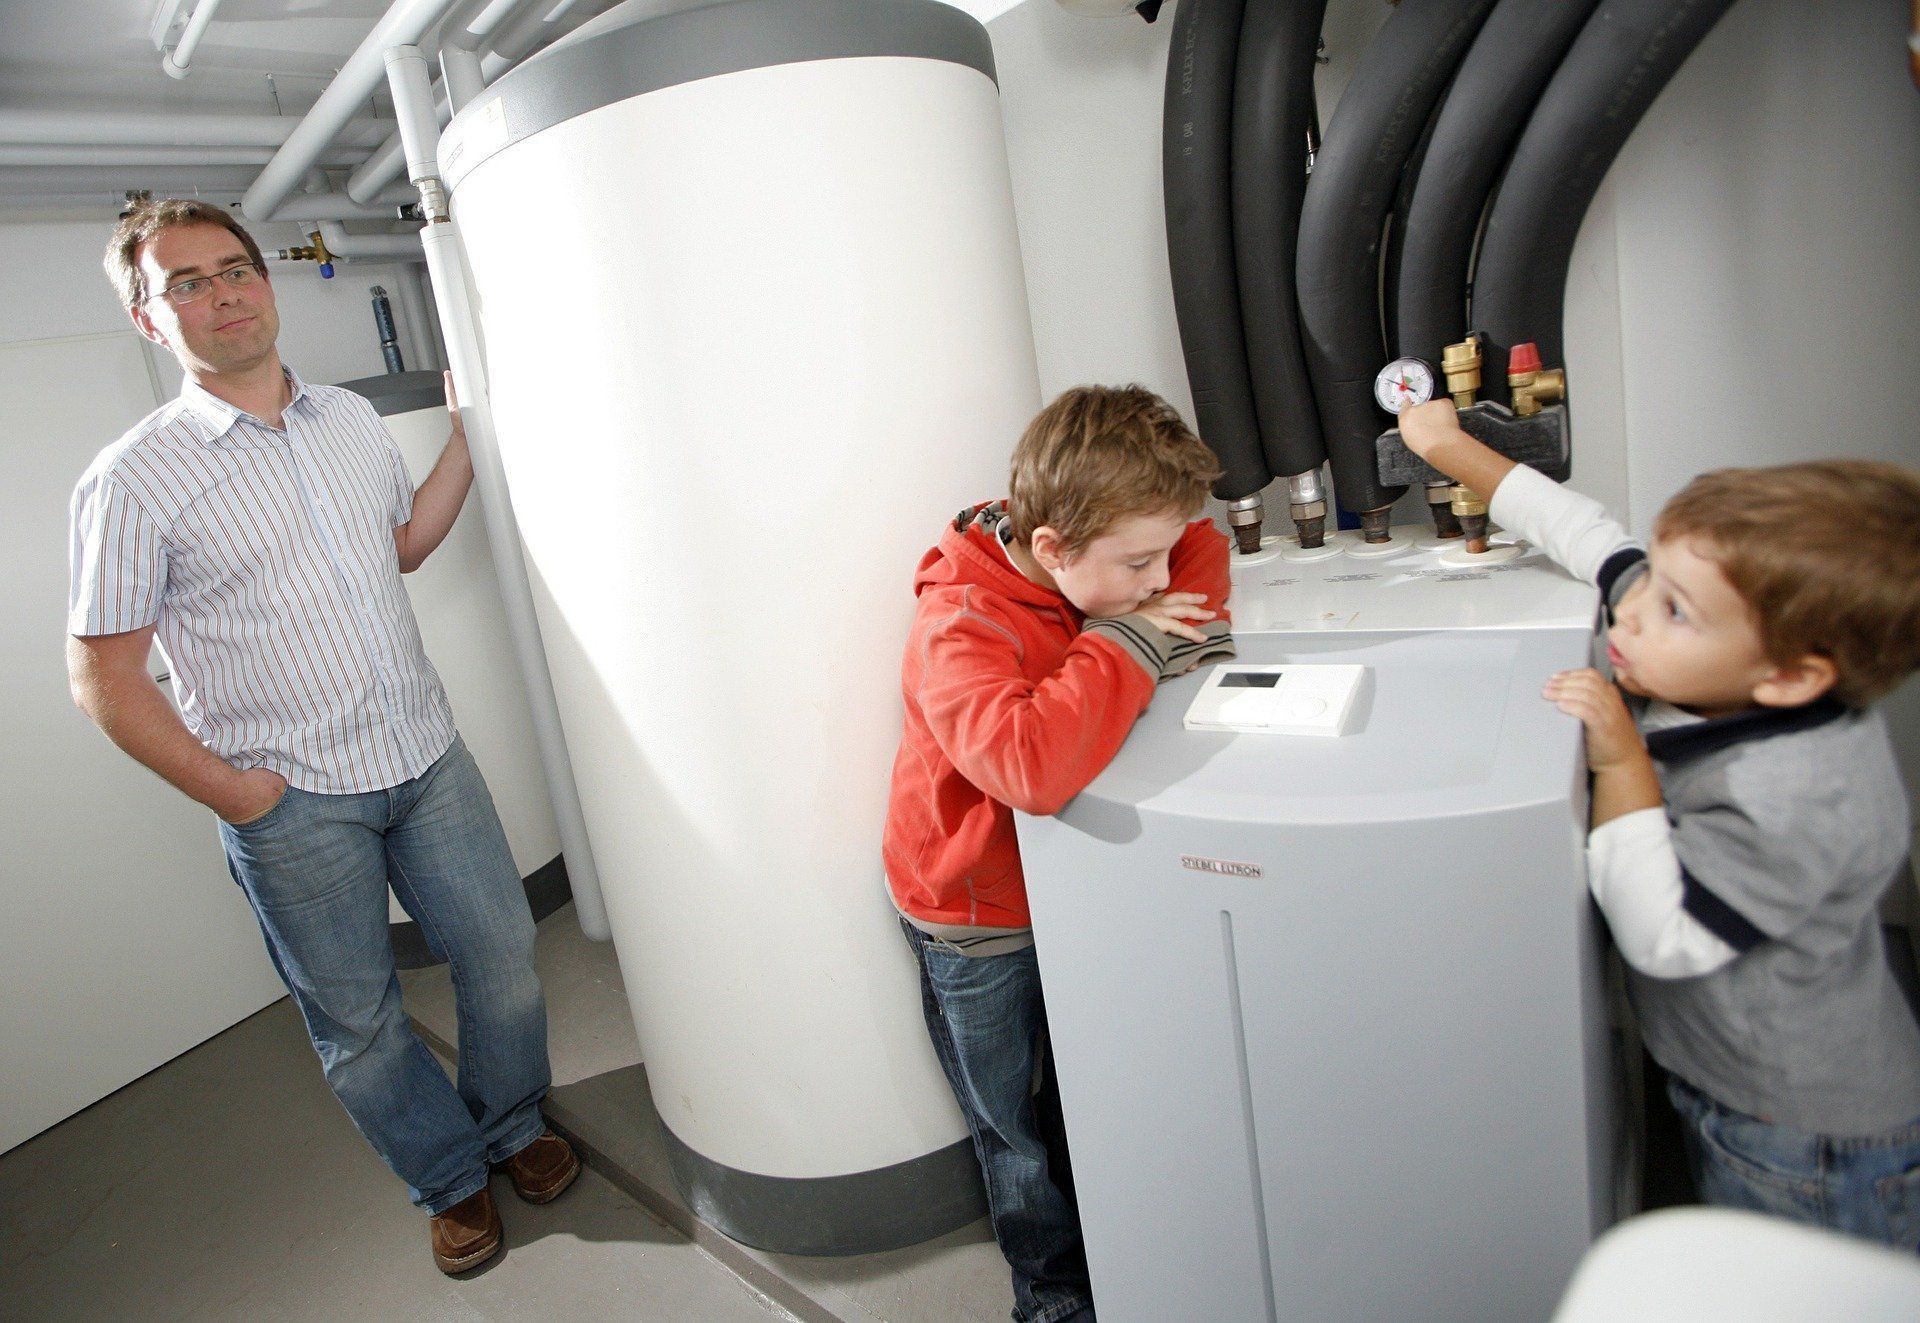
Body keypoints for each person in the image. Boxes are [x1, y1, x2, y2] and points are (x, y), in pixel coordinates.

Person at [67, 198, 576, 1275]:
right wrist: (235, 791)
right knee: (360, 1022)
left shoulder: (347, 419)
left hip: (425, 755)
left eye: (235, 268)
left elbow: (398, 549)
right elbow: (102, 678)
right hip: (291, 803)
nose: (224, 294)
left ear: (268, 280)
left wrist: (466, 442)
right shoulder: (132, 479)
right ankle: (449, 1179)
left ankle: (515, 1125)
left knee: (506, 963)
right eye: (187, 283)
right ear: (149, 320)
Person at [1401, 399, 1920, 1252]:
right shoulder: (1714, 645)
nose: (1630, 615)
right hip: (1727, 1076)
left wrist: (1621, 763)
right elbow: (1588, 533)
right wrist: (1451, 448)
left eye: (1675, 611)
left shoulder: (1799, 798)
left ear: (1791, 677)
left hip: (1800, 1132)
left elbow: (1663, 936)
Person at [884, 384, 1236, 1320]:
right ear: (1051, 550)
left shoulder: (1109, 551)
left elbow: (1200, 545)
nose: (1166, 577)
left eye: (1160, 555)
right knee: (1017, 1138)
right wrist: (1130, 642)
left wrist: (1139, 602)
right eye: (1137, 563)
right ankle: (1051, 1297)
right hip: (977, 920)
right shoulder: (961, 625)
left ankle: (1127, 1257)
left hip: (1074, 890)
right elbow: (1031, 767)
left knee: (1093, 1095)